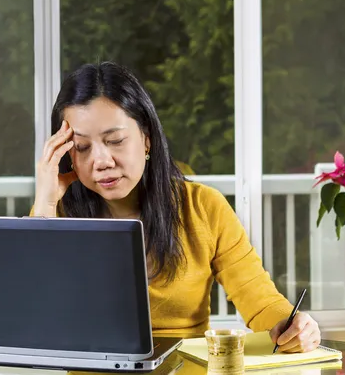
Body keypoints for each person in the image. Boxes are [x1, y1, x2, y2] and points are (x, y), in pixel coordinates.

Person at [30, 61, 321, 353]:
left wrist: (292, 327)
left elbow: (260, 301)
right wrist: (45, 203)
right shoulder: (59, 215)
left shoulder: (203, 207)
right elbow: (32, 309)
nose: (102, 160)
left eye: (115, 140)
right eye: (82, 147)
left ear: (146, 139)